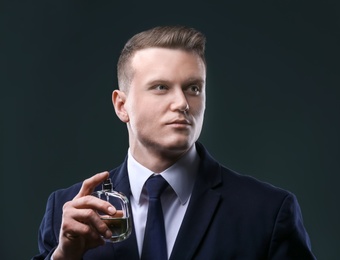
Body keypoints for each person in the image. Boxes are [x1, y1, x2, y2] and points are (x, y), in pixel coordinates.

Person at [33, 25, 316, 260]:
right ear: (121, 105)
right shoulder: (67, 209)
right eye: (161, 87)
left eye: (193, 88)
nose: (182, 103)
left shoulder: (267, 211)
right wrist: (63, 257)